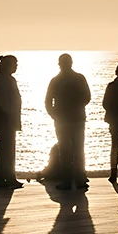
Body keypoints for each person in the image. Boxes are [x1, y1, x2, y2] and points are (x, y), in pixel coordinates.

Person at [45, 54, 92, 191]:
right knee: (77, 149)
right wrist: (78, 106)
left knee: (65, 150)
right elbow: (87, 97)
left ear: (59, 64)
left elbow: (48, 101)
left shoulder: (56, 80)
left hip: (65, 119)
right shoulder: (79, 78)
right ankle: (79, 179)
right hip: (75, 118)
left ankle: (68, 180)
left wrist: (54, 114)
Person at [0, 55, 23, 189]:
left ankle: (6, 177)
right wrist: (10, 114)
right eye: (15, 64)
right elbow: (4, 101)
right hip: (6, 119)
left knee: (6, 149)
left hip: (7, 118)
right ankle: (5, 178)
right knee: (6, 149)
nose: (16, 66)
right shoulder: (4, 80)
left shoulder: (2, 79)